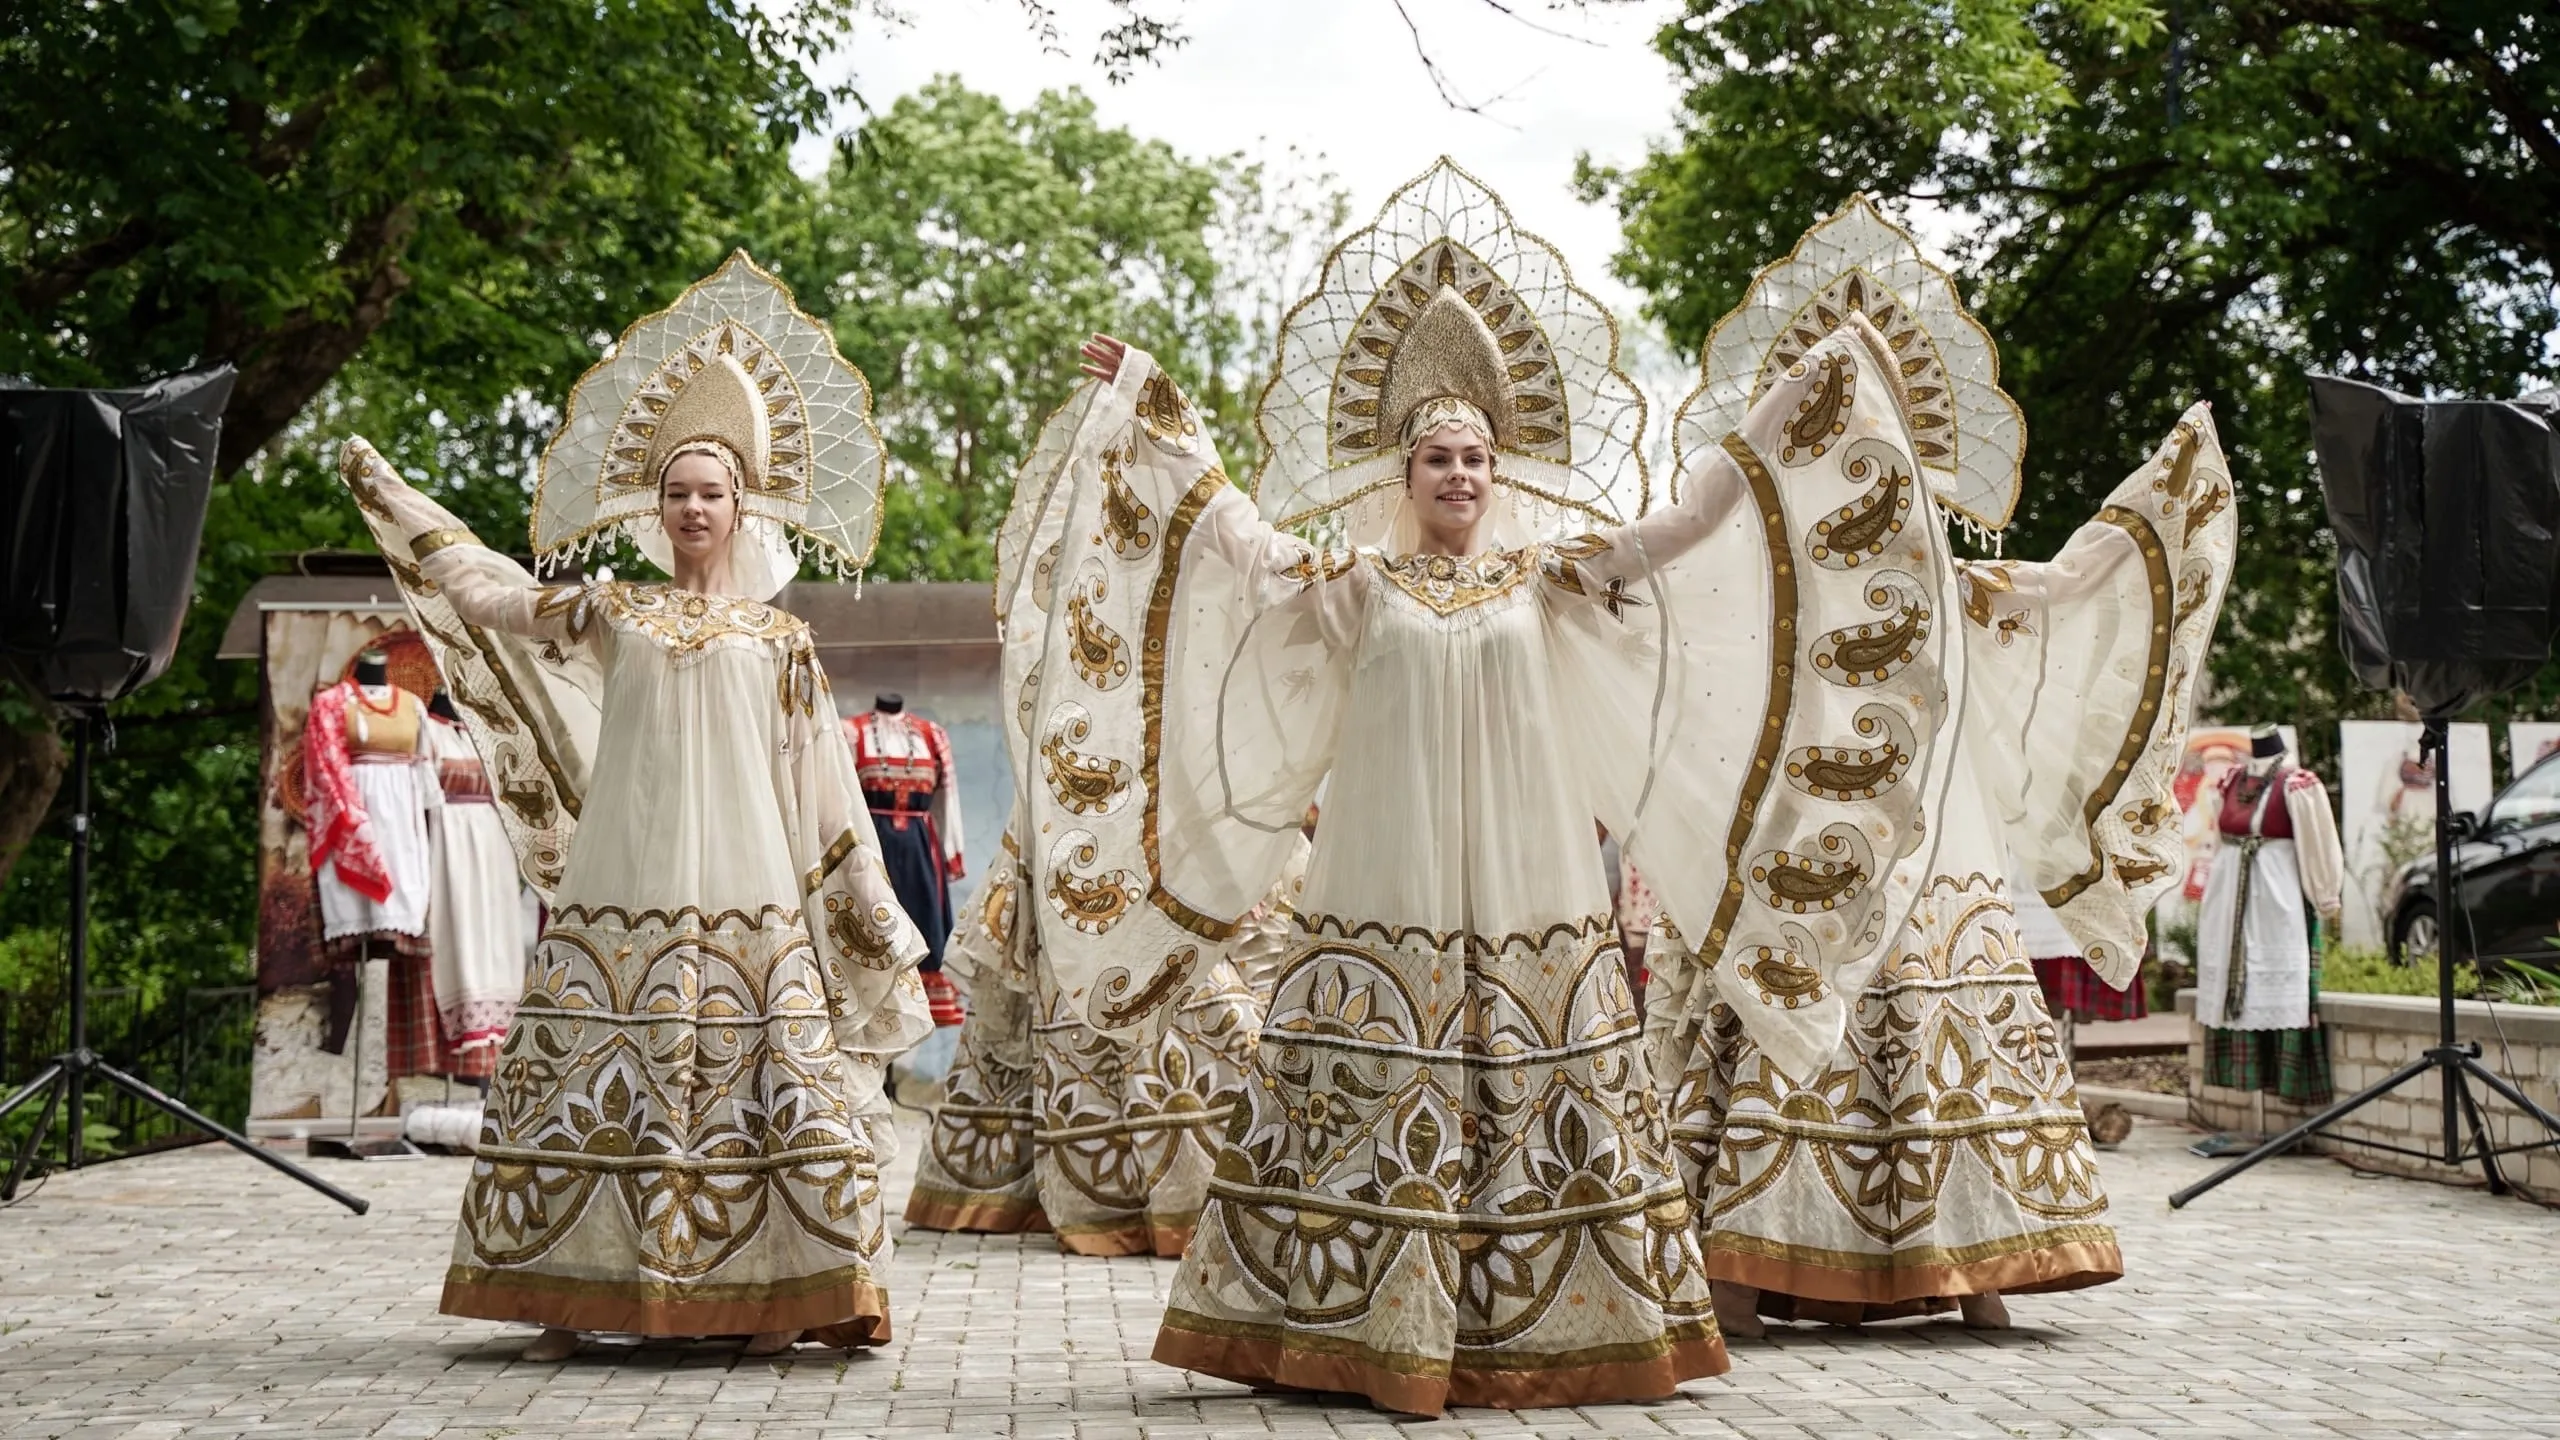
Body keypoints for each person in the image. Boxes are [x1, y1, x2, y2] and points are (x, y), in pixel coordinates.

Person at [1001, 161, 1723, 1414]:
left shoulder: (1548, 576)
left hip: (1525, 889)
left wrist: (1776, 437)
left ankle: (1564, 1327)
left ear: (1503, 472)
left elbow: (1672, 531)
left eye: (1477, 459)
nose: (1459, 476)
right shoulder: (1356, 585)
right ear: (1403, 473)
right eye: (1439, 458)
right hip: (1381, 891)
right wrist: (1158, 409)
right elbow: (1236, 540)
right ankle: (1346, 1325)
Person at [1640, 196, 2236, 1337]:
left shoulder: (1959, 585)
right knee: (1804, 1014)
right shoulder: (1777, 580)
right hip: (1808, 834)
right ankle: (1756, 1259)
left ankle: (1973, 1261)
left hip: (1939, 853)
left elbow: (2069, 590)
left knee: (1934, 1020)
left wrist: (2160, 514)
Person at [334, 252, 929, 1362]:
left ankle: (781, 1294)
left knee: (757, 1088)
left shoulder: (782, 640)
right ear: (652, 509)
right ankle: (569, 1290)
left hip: (750, 899)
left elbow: (818, 783)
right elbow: (496, 598)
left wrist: (852, 904)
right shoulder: (615, 613)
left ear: (742, 505)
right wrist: (404, 506)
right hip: (623, 888)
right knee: (592, 1081)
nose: (692, 507)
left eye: (710, 492)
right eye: (675, 492)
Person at [904, 822, 1307, 1255]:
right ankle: (1169, 1202)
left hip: (1133, 821)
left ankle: (1157, 1198)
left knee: (1174, 994)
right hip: (1089, 826)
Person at [2194, 725, 2345, 1105]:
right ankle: (2246, 1087)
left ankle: (2285, 1085)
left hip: (2275, 901)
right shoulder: (2231, 780)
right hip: (2229, 904)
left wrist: (2326, 895)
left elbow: (2318, 844)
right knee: (2234, 989)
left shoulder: (2298, 785)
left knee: (2275, 992)